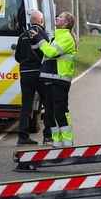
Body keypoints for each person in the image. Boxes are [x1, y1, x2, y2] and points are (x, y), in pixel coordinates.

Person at [33, 11, 77, 147]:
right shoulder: (56, 37)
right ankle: (57, 142)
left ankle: (68, 143)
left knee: (60, 113)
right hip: (50, 80)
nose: (57, 18)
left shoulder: (67, 38)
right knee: (50, 114)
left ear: (67, 23)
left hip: (60, 81)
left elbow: (51, 52)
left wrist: (39, 40)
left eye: (61, 17)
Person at [15, 10, 52, 146]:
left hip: (25, 74)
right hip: (39, 74)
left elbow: (17, 57)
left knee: (26, 105)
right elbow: (47, 53)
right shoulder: (42, 34)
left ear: (31, 21)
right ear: (41, 21)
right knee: (47, 103)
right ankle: (47, 136)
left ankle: (22, 137)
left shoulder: (22, 36)